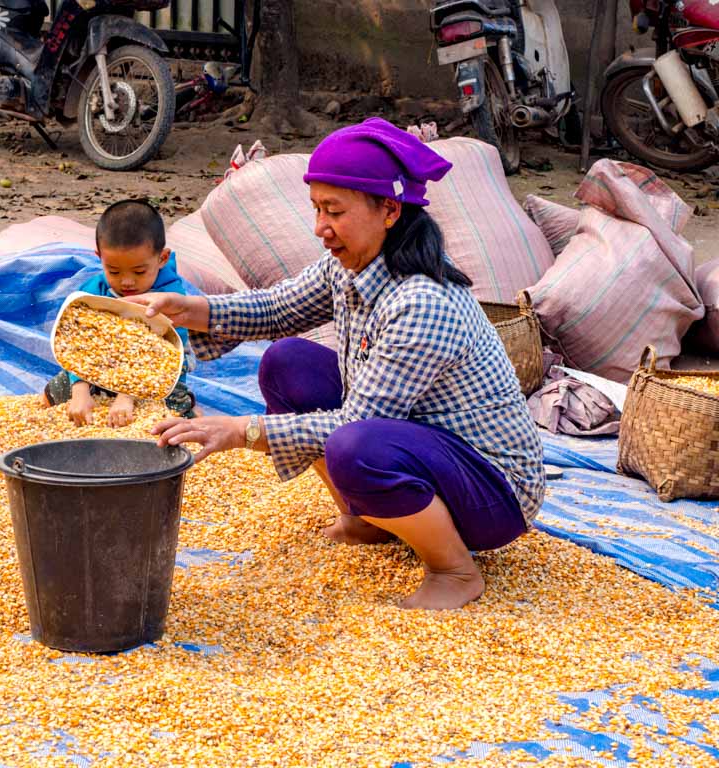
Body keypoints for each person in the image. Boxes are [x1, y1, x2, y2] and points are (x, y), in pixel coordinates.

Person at [126, 118, 545, 611]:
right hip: (421, 442)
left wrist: (240, 431)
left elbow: (356, 423)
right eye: (316, 209)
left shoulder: (423, 302)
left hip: (492, 493)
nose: (321, 227)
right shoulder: (350, 264)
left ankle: (454, 569)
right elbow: (276, 309)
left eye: (334, 211)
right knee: (287, 363)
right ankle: (368, 518)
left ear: (389, 210)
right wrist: (190, 309)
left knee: (355, 444)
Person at [43, 199, 197, 427]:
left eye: (139, 271)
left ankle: (192, 408)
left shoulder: (170, 297)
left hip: (154, 373)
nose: (126, 281)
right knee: (50, 397)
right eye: (113, 270)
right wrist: (80, 389)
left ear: (162, 258)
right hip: (99, 368)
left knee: (172, 412)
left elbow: (162, 356)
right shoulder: (92, 293)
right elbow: (77, 347)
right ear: (100, 258)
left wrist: (127, 396)